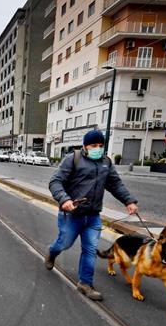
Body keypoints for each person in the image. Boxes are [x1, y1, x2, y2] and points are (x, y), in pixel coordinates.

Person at [45, 129, 138, 301]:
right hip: (72, 214)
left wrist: (129, 201)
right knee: (64, 244)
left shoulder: (106, 162)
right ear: (85, 146)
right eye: (94, 145)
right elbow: (55, 181)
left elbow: (115, 184)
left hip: (93, 216)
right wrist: (64, 199)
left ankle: (85, 283)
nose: (98, 148)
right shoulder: (73, 159)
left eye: (101, 145)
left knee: (89, 250)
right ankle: (52, 252)